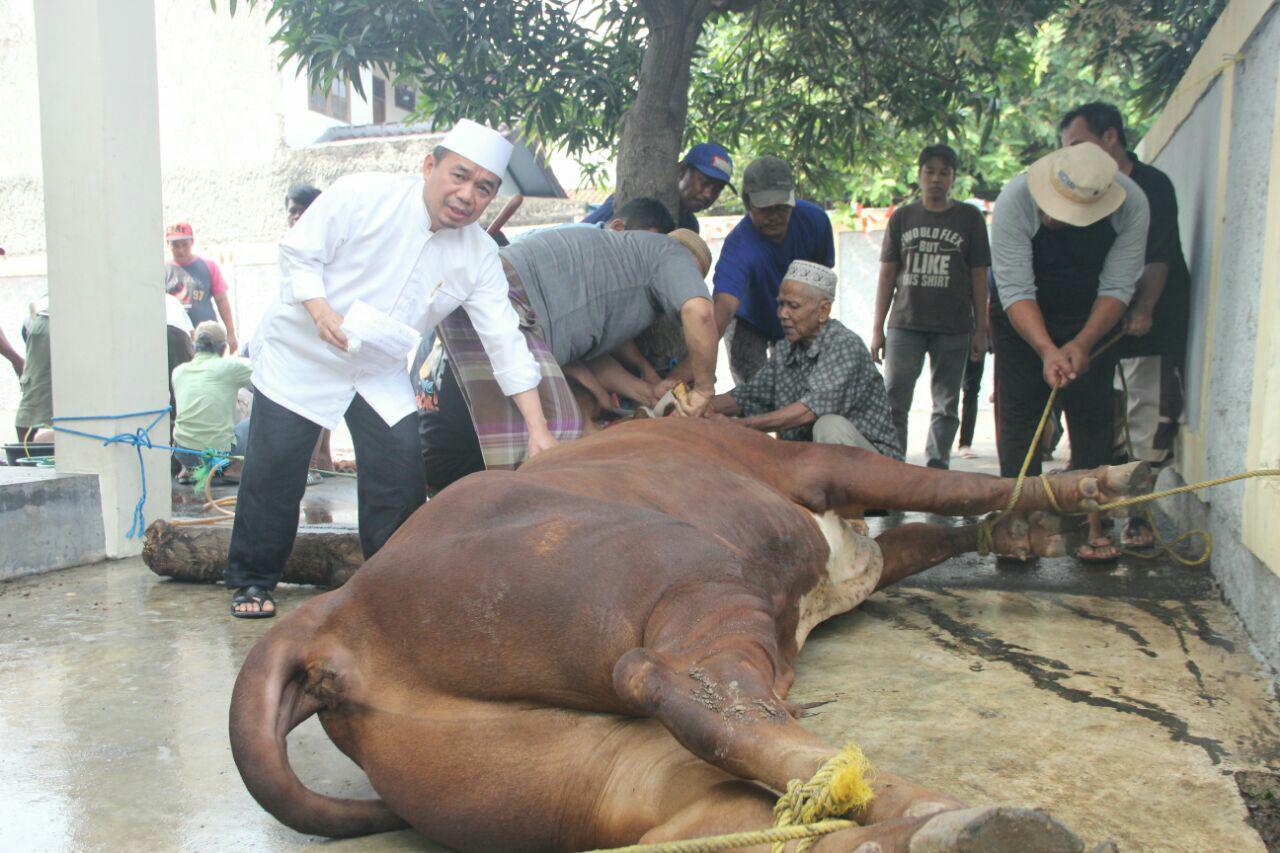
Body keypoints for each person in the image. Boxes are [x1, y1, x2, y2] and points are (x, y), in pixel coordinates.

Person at [225, 119, 557, 618]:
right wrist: (321, 312)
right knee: (275, 472)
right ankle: (252, 582)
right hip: (303, 353)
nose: (467, 195)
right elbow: (299, 254)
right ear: (429, 166)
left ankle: (394, 586)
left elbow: (505, 343)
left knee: (400, 475)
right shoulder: (363, 194)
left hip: (375, 368)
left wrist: (538, 433)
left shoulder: (480, 257)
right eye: (458, 176)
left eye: (483, 187)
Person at [421, 226, 717, 491]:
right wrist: (704, 387)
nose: (689, 285)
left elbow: (588, 357)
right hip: (507, 294)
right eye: (694, 278)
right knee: (563, 440)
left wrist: (645, 391)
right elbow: (700, 312)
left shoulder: (625, 269)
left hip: (502, 290)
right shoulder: (672, 252)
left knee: (532, 441)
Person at [990, 141, 1149, 564]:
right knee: (1022, 415)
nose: (1050, 217)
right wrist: (1045, 348)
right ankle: (1016, 519)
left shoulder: (1132, 206)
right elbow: (1016, 289)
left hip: (1090, 316)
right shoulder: (1014, 199)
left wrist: (1082, 343)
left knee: (1092, 413)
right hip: (1021, 317)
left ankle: (1092, 524)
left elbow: (1117, 287)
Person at [1059, 102, 1191, 549]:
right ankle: (1098, 521)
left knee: (1145, 425)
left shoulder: (1152, 186)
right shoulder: (1087, 193)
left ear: (1111, 137)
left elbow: (1159, 256)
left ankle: (1140, 517)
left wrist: (1143, 308)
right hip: (1100, 327)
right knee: (1103, 425)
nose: (1071, 156)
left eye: (1078, 144)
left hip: (1146, 325)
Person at [870, 145, 991, 469]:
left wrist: (982, 329)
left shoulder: (969, 218)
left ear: (953, 178)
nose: (936, 179)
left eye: (944, 172)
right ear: (919, 175)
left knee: (947, 404)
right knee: (895, 399)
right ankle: (892, 470)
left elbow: (980, 276)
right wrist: (877, 330)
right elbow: (887, 274)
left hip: (953, 327)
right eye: (930, 171)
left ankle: (937, 467)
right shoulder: (903, 217)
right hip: (906, 323)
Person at [708, 261, 902, 458]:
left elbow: (807, 411)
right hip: (813, 465)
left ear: (823, 311)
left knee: (829, 427)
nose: (782, 314)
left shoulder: (844, 344)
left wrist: (737, 426)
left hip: (876, 467)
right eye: (781, 304)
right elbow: (748, 396)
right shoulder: (785, 349)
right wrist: (702, 405)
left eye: (793, 306)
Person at [710, 156, 835, 385]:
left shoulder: (815, 221)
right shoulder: (739, 245)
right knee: (753, 392)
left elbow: (822, 281)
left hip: (799, 315)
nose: (775, 217)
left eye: (782, 207)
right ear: (748, 203)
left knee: (801, 385)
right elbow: (723, 307)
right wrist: (699, 360)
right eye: (766, 209)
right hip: (750, 321)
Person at [282, 182, 334, 482]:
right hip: (298, 341)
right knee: (310, 408)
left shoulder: (330, 242)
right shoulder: (290, 245)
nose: (298, 216)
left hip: (327, 336)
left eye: (305, 211)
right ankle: (314, 463)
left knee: (324, 410)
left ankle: (321, 461)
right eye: (293, 211)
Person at [582, 143, 733, 233]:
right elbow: (579, 234)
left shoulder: (690, 227)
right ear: (681, 171)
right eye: (704, 182)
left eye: (717, 189)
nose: (708, 194)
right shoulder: (637, 203)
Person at [171, 322, 253, 483]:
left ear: (194, 347)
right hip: (217, 458)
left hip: (184, 455)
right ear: (223, 348)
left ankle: (190, 471)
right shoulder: (231, 367)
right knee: (259, 416)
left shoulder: (179, 372)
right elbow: (264, 383)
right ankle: (233, 470)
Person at [165, 222, 239, 353]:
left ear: (192, 242)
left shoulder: (208, 266)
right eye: (176, 245)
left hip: (206, 337)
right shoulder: (163, 270)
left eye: (184, 245)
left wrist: (231, 333)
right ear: (168, 245)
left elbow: (221, 300)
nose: (181, 250)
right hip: (176, 338)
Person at [14, 302, 50, 443]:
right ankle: (26, 456)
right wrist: (16, 359)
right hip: (47, 319)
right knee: (34, 414)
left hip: (43, 321)